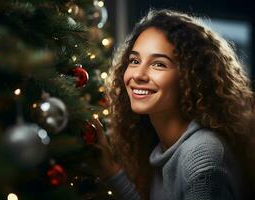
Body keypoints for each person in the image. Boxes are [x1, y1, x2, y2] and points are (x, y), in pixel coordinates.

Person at [90, 9, 255, 200]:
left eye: (159, 64)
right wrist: (112, 170)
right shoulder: (162, 143)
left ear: (189, 77)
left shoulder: (202, 158)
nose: (138, 75)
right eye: (134, 61)